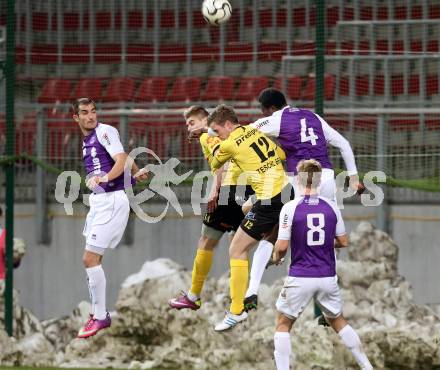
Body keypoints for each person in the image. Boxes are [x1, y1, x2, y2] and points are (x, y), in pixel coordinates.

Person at [244, 87, 364, 312]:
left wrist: (210, 132)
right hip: (326, 178)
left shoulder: (276, 119)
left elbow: (244, 134)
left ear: (268, 109)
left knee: (270, 233)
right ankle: (329, 306)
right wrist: (355, 178)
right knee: (326, 237)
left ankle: (252, 290)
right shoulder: (313, 116)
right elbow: (344, 144)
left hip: (297, 180)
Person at [272, 159, 373, 370]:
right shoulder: (331, 207)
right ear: (319, 182)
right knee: (338, 320)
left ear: (297, 180)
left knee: (283, 323)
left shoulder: (290, 208)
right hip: (327, 276)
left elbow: (281, 246)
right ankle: (367, 366)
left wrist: (276, 257)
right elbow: (343, 241)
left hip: (300, 275)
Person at [207, 104, 291, 331]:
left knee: (236, 249)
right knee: (246, 209)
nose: (218, 134)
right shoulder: (256, 131)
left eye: (217, 130)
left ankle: (236, 311)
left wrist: (210, 140)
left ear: (227, 124)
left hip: (271, 200)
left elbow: (215, 163)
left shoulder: (229, 143)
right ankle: (276, 241)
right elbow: (282, 154)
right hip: (286, 191)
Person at [73, 98, 147, 339]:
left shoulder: (105, 131)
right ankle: (97, 313)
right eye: (84, 113)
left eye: (93, 111)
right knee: (92, 259)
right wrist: (136, 173)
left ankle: (101, 315)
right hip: (99, 202)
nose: (90, 116)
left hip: (111, 201)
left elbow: (121, 158)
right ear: (76, 118)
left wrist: (105, 177)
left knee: (90, 259)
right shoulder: (86, 142)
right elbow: (125, 157)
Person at [169, 105, 253, 311]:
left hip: (230, 190)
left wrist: (215, 191)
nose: (189, 128)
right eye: (187, 124)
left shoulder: (208, 137)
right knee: (238, 246)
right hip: (249, 188)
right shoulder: (222, 134)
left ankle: (193, 295)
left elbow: (223, 163)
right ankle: (240, 301)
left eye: (192, 123)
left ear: (205, 121)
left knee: (206, 241)